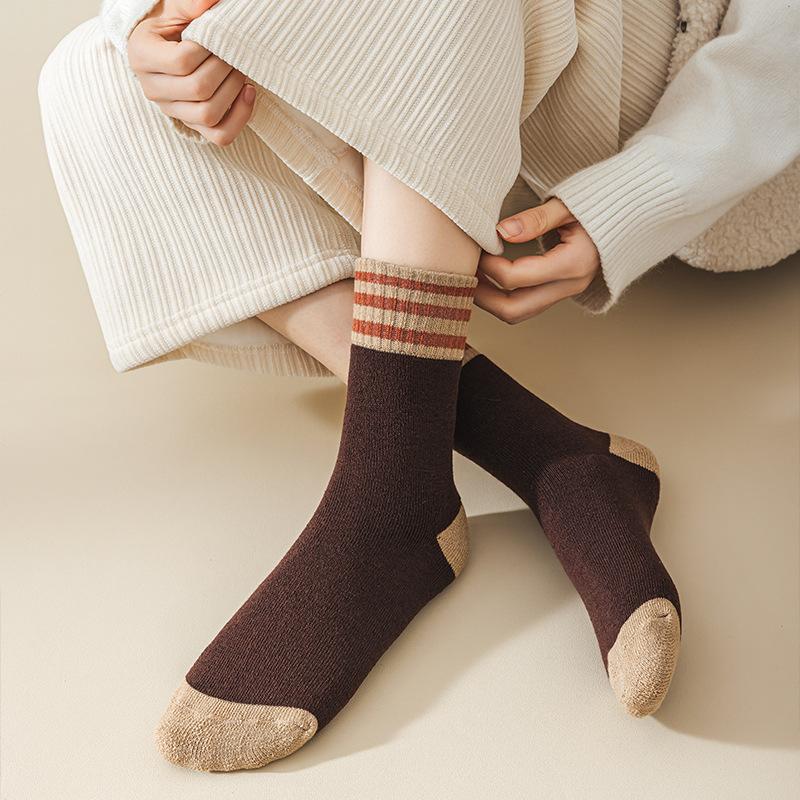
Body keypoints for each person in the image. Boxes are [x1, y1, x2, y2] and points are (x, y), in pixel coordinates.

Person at [39, 0, 798, 772]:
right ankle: (522, 455)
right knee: (88, 78)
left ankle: (393, 494)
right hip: (460, 82)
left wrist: (645, 190)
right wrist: (148, 25)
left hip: (692, 92)